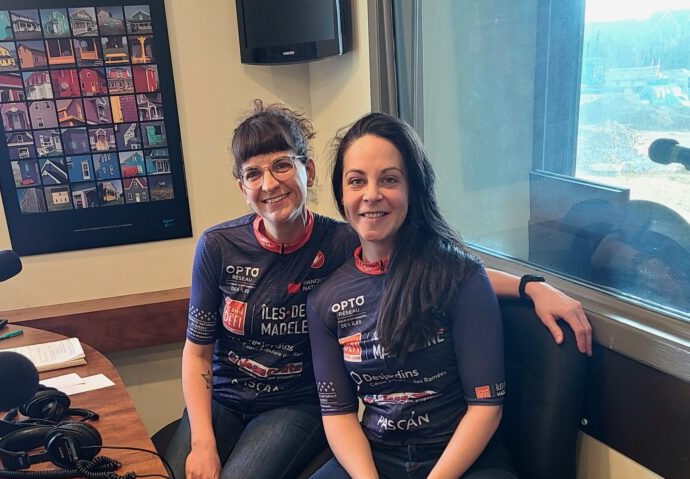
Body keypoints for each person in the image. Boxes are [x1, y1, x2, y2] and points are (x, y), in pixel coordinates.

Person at [165, 101, 591, 479]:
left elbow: (454, 273)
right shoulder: (230, 250)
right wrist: (203, 442)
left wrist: (528, 286)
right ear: (242, 187)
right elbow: (198, 351)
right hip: (241, 402)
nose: (269, 183)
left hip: (304, 409)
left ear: (308, 170)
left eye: (281, 165)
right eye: (253, 173)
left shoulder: (349, 240)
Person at [307, 112, 518, 478]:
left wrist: (531, 285)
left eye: (389, 179)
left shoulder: (461, 277)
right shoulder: (325, 300)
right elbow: (338, 414)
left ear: (413, 188)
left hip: (463, 458)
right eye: (357, 181)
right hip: (377, 458)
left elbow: (486, 407)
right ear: (342, 194)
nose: (371, 195)